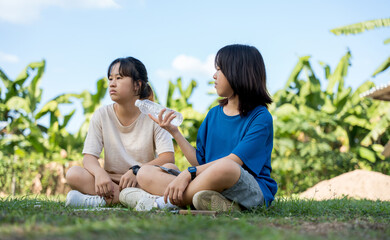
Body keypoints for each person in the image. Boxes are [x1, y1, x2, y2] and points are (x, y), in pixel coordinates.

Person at [119, 44, 277, 212]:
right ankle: (216, 204)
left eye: (220, 70)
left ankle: (161, 202)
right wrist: (175, 132)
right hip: (205, 185)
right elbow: (200, 161)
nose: (214, 75)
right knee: (144, 173)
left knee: (226, 167)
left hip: (248, 189)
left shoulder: (260, 117)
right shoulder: (213, 114)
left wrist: (189, 173)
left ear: (238, 72)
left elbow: (233, 161)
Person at [65, 57, 175, 207]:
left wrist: (137, 171)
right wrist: (99, 173)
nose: (112, 83)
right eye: (110, 78)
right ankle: (138, 198)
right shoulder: (102, 115)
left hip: (143, 180)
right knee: (74, 174)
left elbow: (167, 158)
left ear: (137, 85)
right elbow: (89, 157)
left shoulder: (154, 115)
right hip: (111, 182)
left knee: (172, 170)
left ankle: (101, 200)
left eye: (119, 78)